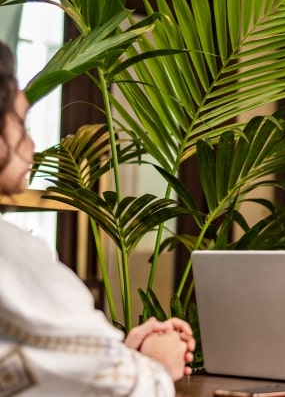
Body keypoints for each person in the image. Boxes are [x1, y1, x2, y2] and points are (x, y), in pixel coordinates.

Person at [0, 40, 195, 396]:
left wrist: (118, 354)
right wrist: (155, 365)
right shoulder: (9, 252)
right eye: (22, 122)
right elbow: (128, 388)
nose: (32, 144)